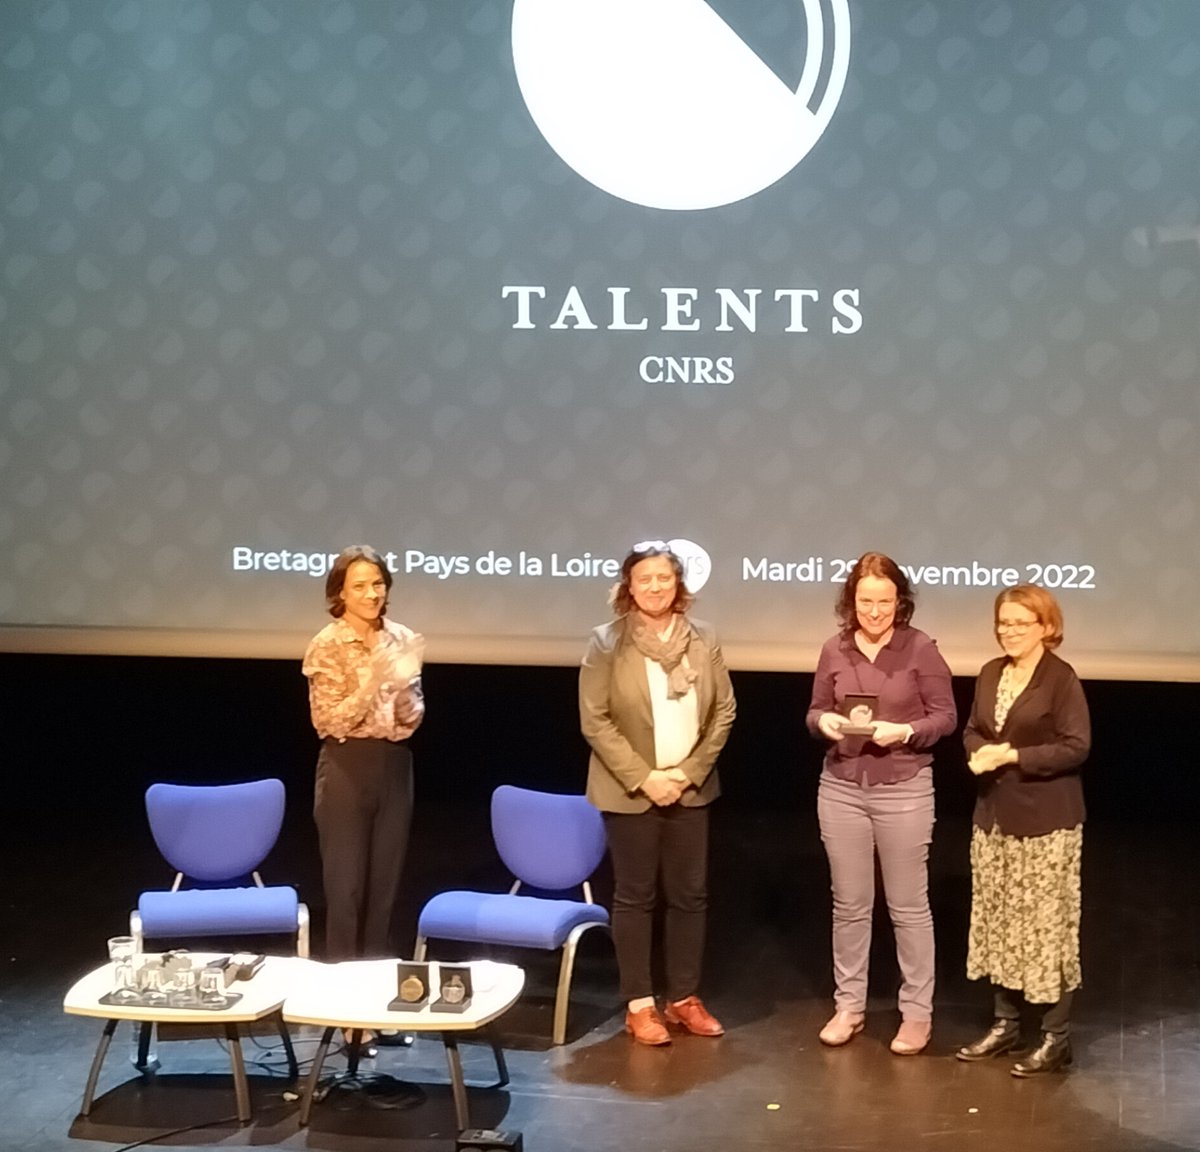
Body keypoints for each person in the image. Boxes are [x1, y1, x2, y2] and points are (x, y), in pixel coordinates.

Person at [579, 541, 737, 1045]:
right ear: (628, 586)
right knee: (635, 896)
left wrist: (688, 773)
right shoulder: (607, 642)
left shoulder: (702, 638)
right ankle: (640, 1004)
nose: (654, 587)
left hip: (691, 790)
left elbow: (724, 712)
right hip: (631, 791)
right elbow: (595, 720)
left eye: (664, 579)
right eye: (644, 579)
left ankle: (684, 998)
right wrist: (645, 778)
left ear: (679, 585)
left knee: (690, 896)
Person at [806, 551, 956, 1055]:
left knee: (908, 907)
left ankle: (916, 1014)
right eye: (865, 601)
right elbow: (816, 710)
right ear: (851, 600)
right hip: (842, 787)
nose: (874, 612)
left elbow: (945, 717)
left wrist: (907, 730)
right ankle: (849, 1006)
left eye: (885, 601)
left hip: (904, 788)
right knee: (849, 906)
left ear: (901, 601)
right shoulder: (834, 649)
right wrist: (822, 723)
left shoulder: (921, 650)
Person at [957, 584, 1090, 1076]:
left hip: (1046, 823)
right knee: (1000, 923)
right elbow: (973, 727)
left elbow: (1077, 746)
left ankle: (1056, 1037)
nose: (1009, 631)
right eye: (1003, 622)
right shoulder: (991, 673)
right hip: (994, 817)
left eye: (1020, 623)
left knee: (1045, 929)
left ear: (1045, 627)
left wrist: (1013, 755)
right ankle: (1005, 1024)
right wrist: (977, 751)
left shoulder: (1060, 678)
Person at [302, 545, 425, 964]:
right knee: (346, 889)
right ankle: (342, 1005)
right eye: (360, 586)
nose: (372, 594)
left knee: (384, 889)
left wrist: (406, 686)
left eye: (378, 584)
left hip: (394, 766)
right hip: (346, 768)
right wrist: (373, 680)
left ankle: (374, 1006)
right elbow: (329, 721)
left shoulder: (402, 638)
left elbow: (411, 720)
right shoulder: (327, 644)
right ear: (341, 593)